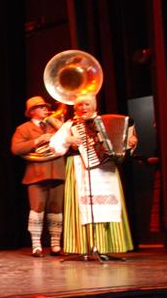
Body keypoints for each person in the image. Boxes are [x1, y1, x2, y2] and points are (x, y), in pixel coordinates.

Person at [48, 93, 137, 255]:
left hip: (107, 170)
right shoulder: (70, 125)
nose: (83, 108)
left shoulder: (103, 122)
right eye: (80, 105)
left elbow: (122, 147)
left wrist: (130, 144)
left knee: (108, 204)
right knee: (85, 206)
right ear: (75, 108)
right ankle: (85, 246)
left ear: (94, 106)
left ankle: (108, 246)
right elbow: (54, 145)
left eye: (87, 104)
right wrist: (68, 140)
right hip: (80, 166)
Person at [10, 96, 66, 256]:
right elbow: (16, 149)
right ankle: (36, 245)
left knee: (56, 209)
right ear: (32, 111)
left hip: (57, 171)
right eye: (41, 107)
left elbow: (67, 141)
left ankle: (55, 245)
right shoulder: (23, 129)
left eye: (45, 107)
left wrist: (62, 127)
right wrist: (38, 140)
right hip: (36, 174)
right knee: (37, 209)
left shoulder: (55, 125)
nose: (46, 109)